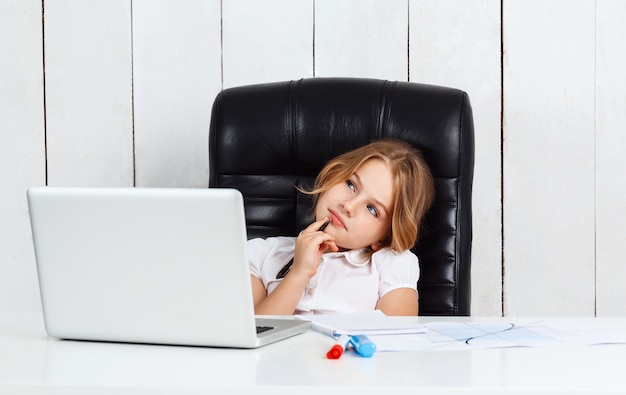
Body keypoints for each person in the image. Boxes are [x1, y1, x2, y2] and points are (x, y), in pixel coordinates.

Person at [248, 138, 434, 316]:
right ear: (331, 177)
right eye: (351, 185)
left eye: (372, 209)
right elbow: (254, 337)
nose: (349, 206)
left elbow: (396, 342)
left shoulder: (392, 264)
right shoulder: (261, 254)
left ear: (384, 237)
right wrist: (299, 273)